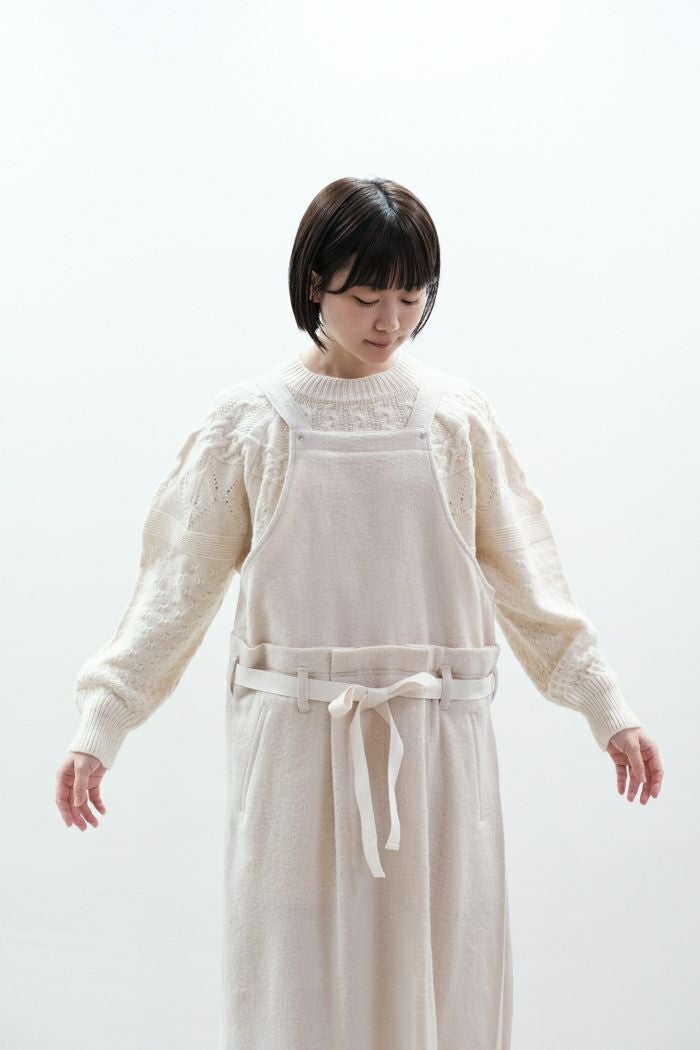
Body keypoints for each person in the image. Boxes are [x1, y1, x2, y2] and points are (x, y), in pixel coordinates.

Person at [55, 175, 663, 1050]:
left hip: (437, 757)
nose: (391, 322)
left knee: (443, 986)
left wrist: (607, 708)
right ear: (315, 283)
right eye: (367, 296)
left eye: (412, 297)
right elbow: (174, 591)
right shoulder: (251, 424)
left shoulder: (454, 419)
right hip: (297, 759)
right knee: (297, 992)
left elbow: (529, 580)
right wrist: (103, 720)